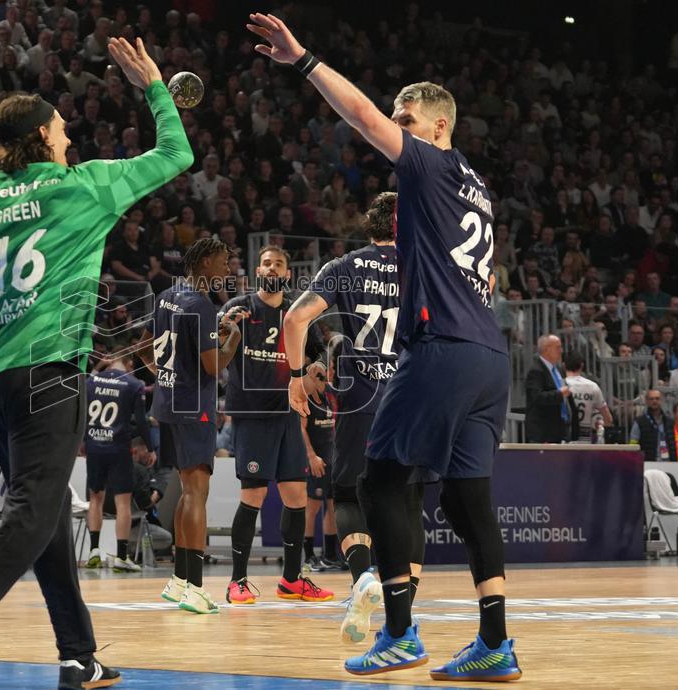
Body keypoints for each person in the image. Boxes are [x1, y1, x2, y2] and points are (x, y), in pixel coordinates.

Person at [0, 36, 191, 690]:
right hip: (51, 370)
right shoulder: (86, 185)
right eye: (62, 124)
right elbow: (176, 153)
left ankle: (80, 657)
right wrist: (154, 86)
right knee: (32, 509)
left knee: (41, 513)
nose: (70, 130)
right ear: (45, 136)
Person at [248, 13, 521, 680]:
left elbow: (364, 117)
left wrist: (305, 60)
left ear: (436, 127)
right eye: (399, 117)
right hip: (489, 356)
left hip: (442, 346)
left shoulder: (427, 164)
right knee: (466, 499)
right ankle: (495, 645)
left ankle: (400, 632)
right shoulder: (477, 190)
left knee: (378, 482)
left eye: (408, 117)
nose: (397, 126)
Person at [283, 192, 404, 644]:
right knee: (405, 501)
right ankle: (400, 620)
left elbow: (295, 321)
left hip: (360, 393)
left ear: (369, 227)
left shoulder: (344, 265)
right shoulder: (426, 264)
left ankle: (362, 580)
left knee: (349, 496)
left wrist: (297, 378)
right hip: (410, 393)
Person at [137, 236, 244, 615]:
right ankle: (196, 588)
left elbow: (145, 345)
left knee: (186, 492)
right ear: (202, 265)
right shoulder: (200, 304)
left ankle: (181, 580)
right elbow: (215, 366)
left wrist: (166, 373)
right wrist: (233, 338)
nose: (227, 268)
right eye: (222, 261)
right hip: (193, 407)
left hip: (167, 404)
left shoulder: (168, 294)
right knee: (197, 493)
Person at [221, 244, 333, 606]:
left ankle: (291, 580)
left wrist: (316, 370)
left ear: (287, 274)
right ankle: (237, 581)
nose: (272, 269)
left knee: (296, 495)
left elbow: (317, 355)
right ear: (258, 271)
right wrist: (225, 333)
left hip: (288, 415)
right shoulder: (238, 309)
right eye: (266, 263)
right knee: (254, 495)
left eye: (278, 264)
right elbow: (215, 348)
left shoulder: (296, 313)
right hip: (252, 415)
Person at [83, 353, 154, 573]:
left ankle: (94, 550)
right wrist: (151, 447)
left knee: (95, 498)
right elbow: (141, 421)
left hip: (94, 445)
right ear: (130, 364)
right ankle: (122, 556)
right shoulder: (133, 384)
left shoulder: (91, 381)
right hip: (118, 447)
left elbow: (80, 413)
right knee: (123, 502)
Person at [299, 359, 342, 571]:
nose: (324, 374)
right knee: (312, 507)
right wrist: (311, 456)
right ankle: (308, 556)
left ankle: (331, 555)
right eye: (317, 373)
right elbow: (301, 428)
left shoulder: (332, 395)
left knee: (333, 506)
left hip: (333, 458)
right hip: (316, 460)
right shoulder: (306, 397)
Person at [525, 334, 575, 443]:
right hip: (544, 432)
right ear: (546, 349)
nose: (561, 351)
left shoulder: (559, 369)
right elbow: (536, 397)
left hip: (561, 429)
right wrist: (559, 394)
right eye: (558, 347)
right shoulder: (536, 371)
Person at [564, 353, 613, 443]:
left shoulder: (560, 386)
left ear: (564, 365)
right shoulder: (592, 386)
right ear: (582, 365)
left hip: (564, 438)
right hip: (585, 440)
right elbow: (608, 419)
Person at [630, 389, 677, 462]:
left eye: (657, 398)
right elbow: (633, 445)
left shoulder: (670, 422)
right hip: (648, 462)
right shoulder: (639, 422)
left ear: (662, 400)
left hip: (669, 463)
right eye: (651, 399)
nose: (654, 401)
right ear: (646, 401)